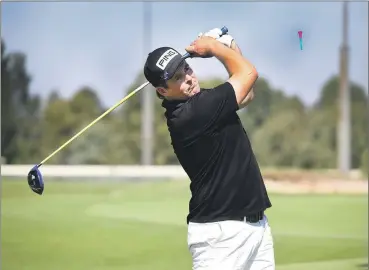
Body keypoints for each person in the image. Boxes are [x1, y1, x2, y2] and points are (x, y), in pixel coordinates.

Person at [143, 28, 275, 270]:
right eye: (178, 79)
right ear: (162, 91)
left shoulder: (200, 103)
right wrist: (215, 48)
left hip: (255, 228)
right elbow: (248, 73)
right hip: (221, 238)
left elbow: (247, 94)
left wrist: (229, 44)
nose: (189, 79)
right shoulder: (193, 114)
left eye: (187, 69)